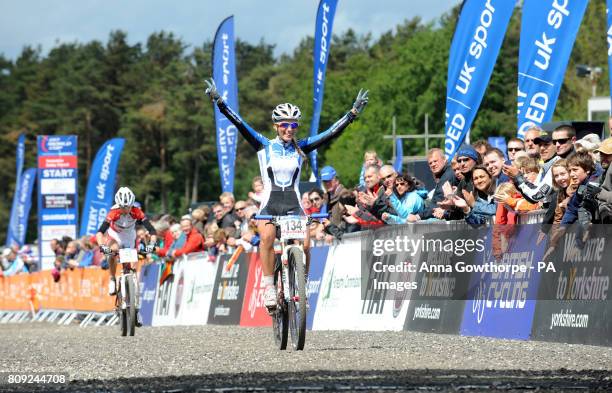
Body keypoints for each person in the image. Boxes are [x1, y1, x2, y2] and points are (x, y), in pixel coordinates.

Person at [205, 78, 368, 309]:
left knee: (307, 244)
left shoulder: (302, 146)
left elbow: (329, 133)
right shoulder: (264, 145)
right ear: (275, 126)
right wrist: (220, 101)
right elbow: (239, 123)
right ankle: (270, 286)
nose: (289, 129)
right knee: (268, 239)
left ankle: (302, 285)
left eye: (293, 125)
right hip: (270, 204)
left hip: (293, 204)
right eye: (284, 125)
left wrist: (351, 114)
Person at [95, 187, 157, 301]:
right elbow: (99, 233)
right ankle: (112, 278)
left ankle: (132, 286)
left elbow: (152, 230)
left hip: (129, 236)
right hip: (115, 235)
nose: (126, 209)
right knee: (113, 250)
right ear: (119, 205)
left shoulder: (137, 211)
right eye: (123, 207)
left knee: (133, 264)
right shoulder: (113, 212)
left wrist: (152, 244)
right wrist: (102, 246)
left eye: (128, 206)